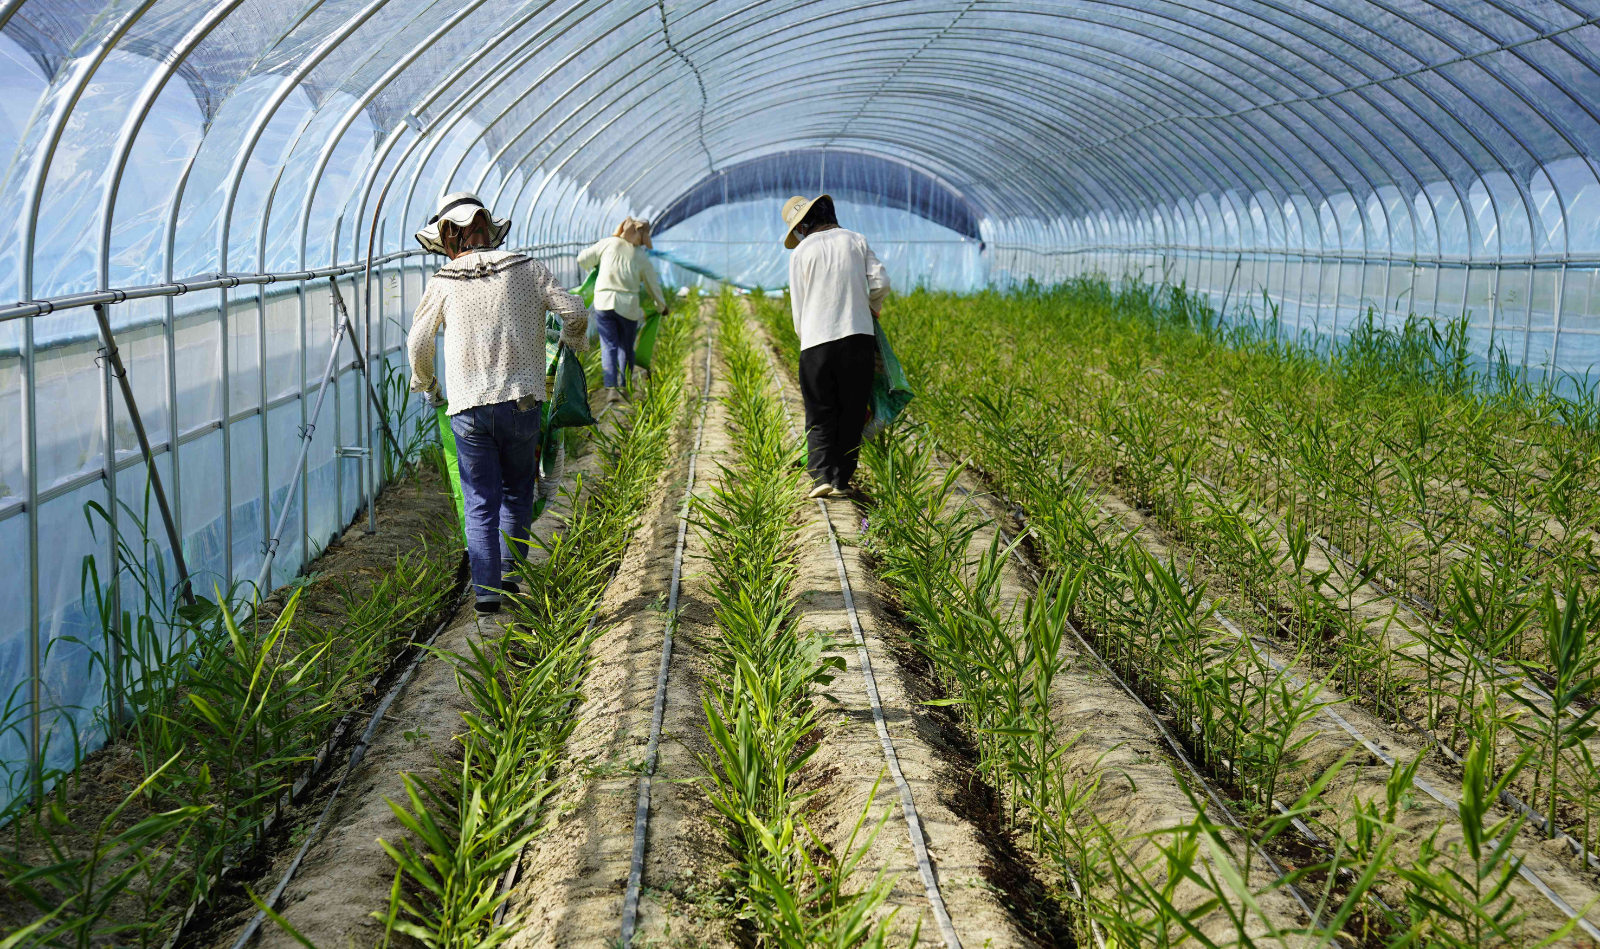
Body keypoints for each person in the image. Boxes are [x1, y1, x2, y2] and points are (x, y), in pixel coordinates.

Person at [408, 191, 588, 615]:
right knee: (517, 491)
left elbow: (418, 340)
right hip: (523, 401)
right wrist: (569, 347)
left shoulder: (443, 282)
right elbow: (575, 312)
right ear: (487, 230)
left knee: (480, 500)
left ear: (449, 238)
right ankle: (509, 571)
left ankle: (487, 593)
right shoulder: (526, 267)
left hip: (469, 407)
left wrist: (427, 382)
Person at [781, 194, 890, 499]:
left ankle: (820, 479)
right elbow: (881, 282)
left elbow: (798, 306)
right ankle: (841, 479)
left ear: (803, 225)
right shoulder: (856, 240)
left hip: (816, 341)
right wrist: (870, 307)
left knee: (819, 411)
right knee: (852, 411)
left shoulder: (801, 252)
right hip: (858, 338)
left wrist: (806, 339)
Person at [577, 217, 668, 401]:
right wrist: (662, 306)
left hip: (603, 303)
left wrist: (593, 269)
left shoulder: (607, 244)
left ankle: (612, 388)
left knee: (608, 346)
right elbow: (652, 285)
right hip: (627, 307)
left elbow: (582, 258)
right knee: (625, 347)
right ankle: (624, 386)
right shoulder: (640, 256)